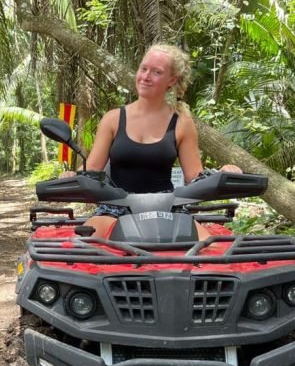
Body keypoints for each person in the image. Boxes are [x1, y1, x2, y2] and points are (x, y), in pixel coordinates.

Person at [63, 44, 241, 239]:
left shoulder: (182, 123)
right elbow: (93, 170)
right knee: (83, 247)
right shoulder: (113, 119)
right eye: (143, 68)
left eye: (156, 72)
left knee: (212, 248)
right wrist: (72, 177)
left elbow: (194, 177)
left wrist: (221, 174)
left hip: (168, 208)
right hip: (116, 207)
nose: (146, 76)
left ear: (171, 80)